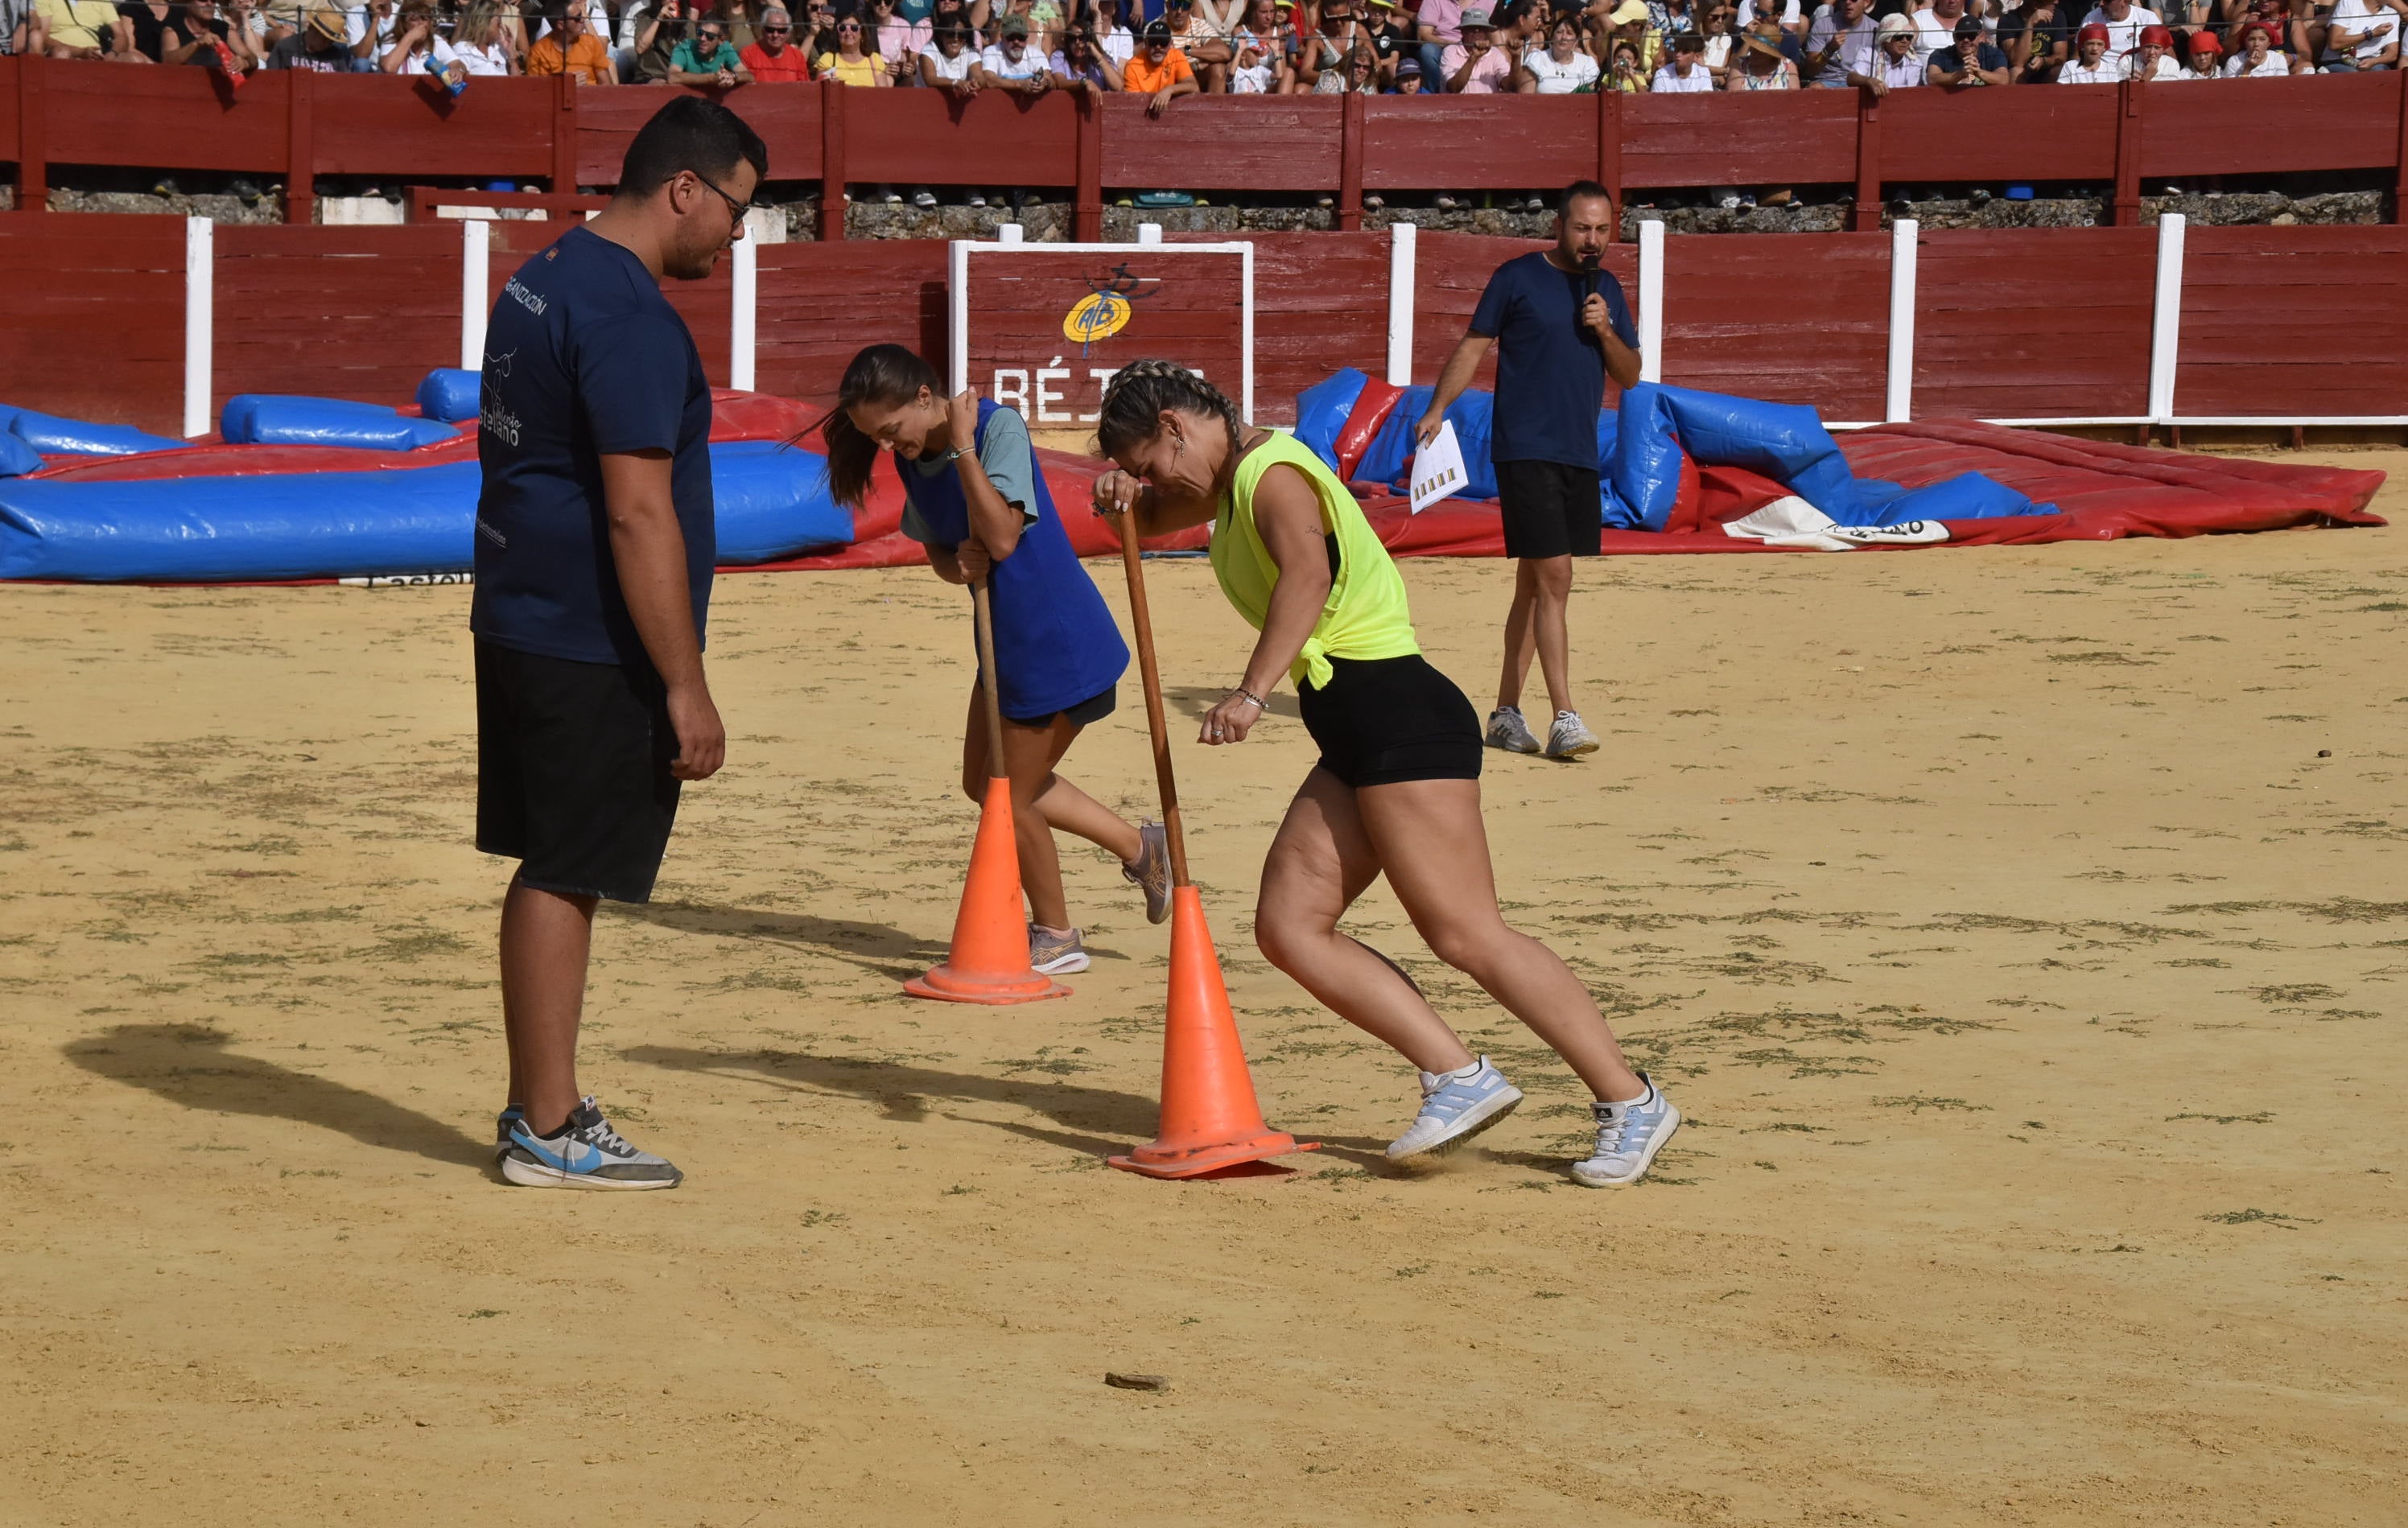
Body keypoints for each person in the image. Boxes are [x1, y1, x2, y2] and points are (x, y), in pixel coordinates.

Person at [1088, 363, 1680, 1188]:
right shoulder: (1229, 486)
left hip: (1399, 713)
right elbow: (1154, 515)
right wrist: (1120, 491)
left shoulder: (1275, 476)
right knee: (1290, 924)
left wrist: (1253, 692)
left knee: (1468, 933)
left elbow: (1309, 577)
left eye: (1150, 459)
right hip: (1356, 725)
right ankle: (1456, 1073)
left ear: (1176, 423)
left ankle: (1630, 1098)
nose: (1155, 479)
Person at [472, 96, 766, 1192]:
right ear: (685, 187)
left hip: (518, 604)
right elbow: (640, 512)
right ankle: (548, 1123)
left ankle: (540, 1107)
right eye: (736, 210)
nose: (736, 236)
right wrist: (685, 686)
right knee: (570, 866)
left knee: (552, 862)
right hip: (590, 635)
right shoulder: (633, 319)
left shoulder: (544, 272)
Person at [816, 349, 1168, 976]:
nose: (888, 447)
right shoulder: (919, 460)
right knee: (984, 785)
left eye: (890, 430)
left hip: (1053, 636)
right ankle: (1139, 848)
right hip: (1004, 644)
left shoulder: (993, 428)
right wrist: (959, 566)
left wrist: (963, 449)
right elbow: (947, 556)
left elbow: (1003, 536)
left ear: (926, 397)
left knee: (1010, 797)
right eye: (875, 438)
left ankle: (1058, 934)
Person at [1416, 183, 1635, 764]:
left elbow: (1631, 374)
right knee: (1556, 578)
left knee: (1534, 584)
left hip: (1579, 452)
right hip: (1525, 448)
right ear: (1559, 226)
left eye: (1602, 230)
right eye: (1583, 228)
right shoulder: (1516, 277)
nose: (1593, 241)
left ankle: (1506, 713)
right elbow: (1472, 347)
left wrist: (1605, 328)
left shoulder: (1606, 291)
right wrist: (1438, 409)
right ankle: (1565, 715)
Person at [1804, 0, 1878, 82]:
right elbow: (1810, 70)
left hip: (1861, 83)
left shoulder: (1876, 29)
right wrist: (1828, 50)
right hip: (1828, 81)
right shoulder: (1823, 25)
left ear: (1866, 1)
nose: (1848, 2)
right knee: (1815, 87)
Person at [526, 0, 613, 80]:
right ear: (561, 25)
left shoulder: (591, 42)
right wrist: (566, 85)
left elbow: (607, 87)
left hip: (592, 93)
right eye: (577, 17)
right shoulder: (538, 53)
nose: (583, 19)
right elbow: (538, 91)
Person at [1122, 15, 1198, 108]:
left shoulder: (1176, 57)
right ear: (1145, 43)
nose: (1158, 47)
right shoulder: (1132, 66)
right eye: (1153, 42)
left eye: (1163, 43)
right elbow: (1134, 105)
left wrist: (1169, 90)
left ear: (1171, 44)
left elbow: (1194, 86)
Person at [1928, 8, 2006, 82]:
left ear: (1981, 36)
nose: (1966, 40)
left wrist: (1979, 72)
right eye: (1961, 36)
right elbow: (1932, 78)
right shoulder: (1940, 55)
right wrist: (1960, 74)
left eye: (1971, 35)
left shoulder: (1993, 54)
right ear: (1954, 37)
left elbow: (2004, 78)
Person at [671, 12, 750, 83]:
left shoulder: (725, 48)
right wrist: (711, 78)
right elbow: (672, 77)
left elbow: (748, 76)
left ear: (721, 40)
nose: (702, 38)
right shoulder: (685, 47)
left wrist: (732, 76)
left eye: (710, 36)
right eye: (700, 32)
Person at [741, 5, 814, 78]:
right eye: (770, 30)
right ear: (763, 30)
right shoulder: (748, 54)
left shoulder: (797, 57)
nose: (775, 35)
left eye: (781, 31)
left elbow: (804, 87)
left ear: (788, 33)